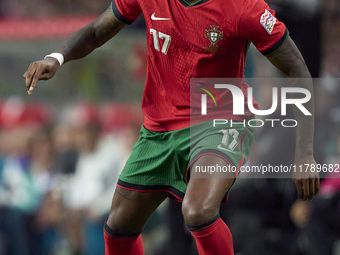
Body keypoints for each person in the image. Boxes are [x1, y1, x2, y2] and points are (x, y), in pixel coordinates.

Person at [23, 0, 320, 253]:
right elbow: (97, 31)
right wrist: (56, 57)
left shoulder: (243, 7)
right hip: (158, 130)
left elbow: (298, 69)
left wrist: (304, 153)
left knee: (198, 211)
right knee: (118, 227)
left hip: (219, 120)